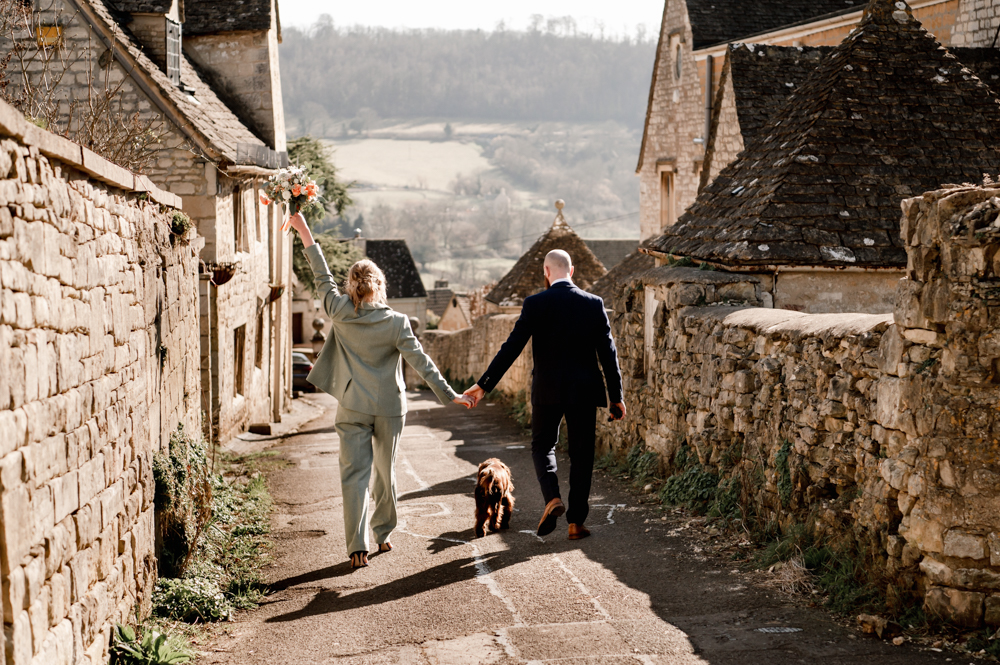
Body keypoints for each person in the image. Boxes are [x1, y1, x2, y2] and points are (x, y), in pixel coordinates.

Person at [289, 212, 474, 569]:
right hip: (390, 406)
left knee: (353, 476)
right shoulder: (397, 322)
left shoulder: (338, 310)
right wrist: (450, 394)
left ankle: (357, 547)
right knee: (384, 473)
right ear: (379, 284)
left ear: (351, 283)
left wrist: (304, 229)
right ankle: (384, 534)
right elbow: (421, 362)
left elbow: (321, 275)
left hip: (353, 406)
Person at [464, 249, 625, 540]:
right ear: (572, 271)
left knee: (542, 447)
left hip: (547, 390)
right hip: (584, 392)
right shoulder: (594, 304)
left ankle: (552, 498)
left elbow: (511, 347)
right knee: (582, 456)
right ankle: (576, 523)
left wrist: (484, 384)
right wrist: (617, 397)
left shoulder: (535, 304)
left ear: (546, 273)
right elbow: (608, 355)